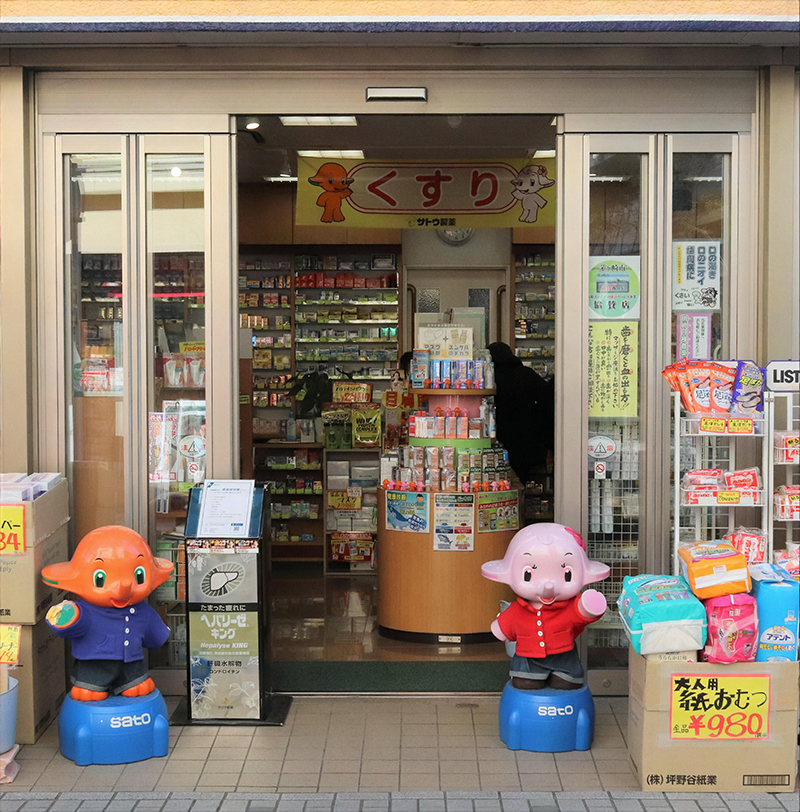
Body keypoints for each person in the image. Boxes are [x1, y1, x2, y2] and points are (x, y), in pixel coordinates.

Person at [488, 342, 554, 484]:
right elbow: (547, 397)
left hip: (499, 437)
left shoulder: (490, 377)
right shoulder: (526, 374)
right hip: (528, 438)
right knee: (526, 480)